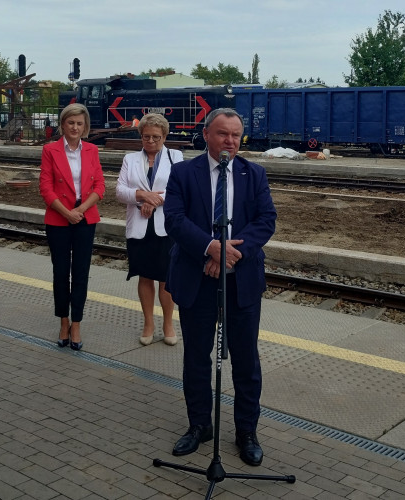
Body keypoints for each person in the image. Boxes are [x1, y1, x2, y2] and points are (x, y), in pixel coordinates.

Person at [163, 108, 277, 466]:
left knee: (246, 361)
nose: (230, 141)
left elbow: (265, 220)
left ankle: (246, 431)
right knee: (197, 358)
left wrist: (229, 253)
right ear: (207, 134)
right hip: (196, 279)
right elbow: (175, 220)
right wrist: (210, 247)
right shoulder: (183, 173)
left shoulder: (253, 173)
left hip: (241, 280)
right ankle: (199, 426)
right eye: (223, 134)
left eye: (236, 135)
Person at [39, 103, 105, 351]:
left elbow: (99, 185)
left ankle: (76, 322)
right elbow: (45, 187)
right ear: (63, 124)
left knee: (80, 273)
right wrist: (67, 212)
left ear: (84, 126)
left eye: (79, 123)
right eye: (71, 123)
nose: (75, 127)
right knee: (60, 273)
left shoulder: (91, 150)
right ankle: (63, 321)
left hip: (85, 218)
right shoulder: (50, 150)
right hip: (58, 218)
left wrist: (80, 210)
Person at [116, 113, 183, 346]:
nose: (151, 141)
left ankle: (168, 323)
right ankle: (148, 323)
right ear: (140, 136)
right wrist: (141, 196)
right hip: (140, 226)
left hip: (166, 228)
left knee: (167, 278)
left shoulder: (176, 157)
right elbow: (120, 191)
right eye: (146, 137)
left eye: (156, 137)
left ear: (164, 136)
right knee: (145, 276)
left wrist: (153, 201)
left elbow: (179, 190)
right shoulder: (130, 159)